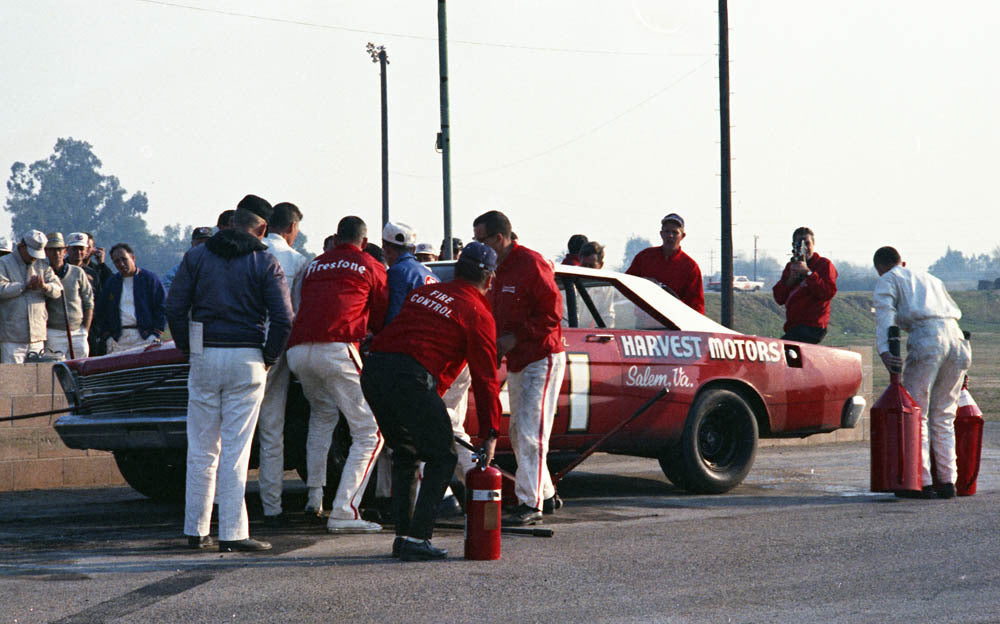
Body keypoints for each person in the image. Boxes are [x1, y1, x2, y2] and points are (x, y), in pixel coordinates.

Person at [167, 194, 293, 552]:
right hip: (247, 357)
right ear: (262, 228)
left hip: (205, 354)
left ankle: (196, 530)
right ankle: (234, 532)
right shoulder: (265, 261)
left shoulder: (197, 257)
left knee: (201, 448)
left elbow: (174, 308)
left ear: (232, 222)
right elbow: (284, 318)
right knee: (236, 450)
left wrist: (188, 349)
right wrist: (268, 357)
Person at [361, 242, 502, 561]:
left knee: (406, 453)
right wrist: (490, 433)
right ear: (490, 278)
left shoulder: (424, 293)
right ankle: (418, 537)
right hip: (410, 376)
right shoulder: (478, 312)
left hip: (374, 370)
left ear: (457, 269)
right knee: (443, 456)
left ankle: (403, 537)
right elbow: (485, 378)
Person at [285, 216, 387, 533]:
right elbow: (382, 312)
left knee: (322, 416)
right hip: (337, 347)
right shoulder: (369, 264)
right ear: (364, 241)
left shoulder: (315, 264)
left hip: (298, 350)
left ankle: (314, 498)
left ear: (336, 237)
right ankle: (344, 510)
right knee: (370, 433)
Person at [473, 210, 566, 526]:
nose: (478, 246)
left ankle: (530, 503)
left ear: (499, 238)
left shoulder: (531, 264)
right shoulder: (495, 269)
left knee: (530, 431)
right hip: (516, 359)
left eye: (481, 240)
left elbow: (552, 313)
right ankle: (545, 494)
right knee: (518, 431)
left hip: (541, 357)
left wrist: (516, 337)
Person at [873, 246, 971, 500]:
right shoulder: (931, 279)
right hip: (957, 339)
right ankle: (948, 482)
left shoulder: (888, 278)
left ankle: (921, 482)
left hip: (928, 338)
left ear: (880, 268)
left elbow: (885, 316)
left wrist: (885, 350)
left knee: (917, 412)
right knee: (944, 414)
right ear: (902, 262)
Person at [257, 202, 309, 525]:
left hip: (242, 346)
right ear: (291, 227)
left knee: (230, 432)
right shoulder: (297, 261)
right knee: (272, 430)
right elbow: (296, 313)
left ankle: (220, 503)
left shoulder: (251, 251)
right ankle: (272, 507)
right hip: (277, 349)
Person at [0, 230, 63, 363]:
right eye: (31, 253)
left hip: (37, 336)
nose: (34, 258)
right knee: (13, 374)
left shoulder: (42, 266)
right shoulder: (3, 263)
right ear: (22, 246)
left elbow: (58, 290)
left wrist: (44, 287)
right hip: (12, 337)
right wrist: (24, 286)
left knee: (37, 374)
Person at [94, 243, 166, 353]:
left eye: (124, 259)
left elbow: (163, 307)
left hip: (145, 337)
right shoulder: (111, 283)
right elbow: (101, 312)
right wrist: (107, 336)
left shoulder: (149, 279)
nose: (121, 264)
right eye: (117, 261)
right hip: (118, 339)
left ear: (133, 258)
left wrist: (156, 333)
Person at [626, 213, 705, 314]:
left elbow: (696, 305)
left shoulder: (690, 267)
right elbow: (626, 285)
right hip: (645, 318)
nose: (670, 236)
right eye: (667, 231)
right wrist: (644, 283)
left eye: (675, 232)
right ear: (661, 234)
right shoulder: (645, 257)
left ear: (682, 236)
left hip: (675, 320)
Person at [772, 226, 838, 344]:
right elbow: (779, 297)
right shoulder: (791, 267)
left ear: (813, 244)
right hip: (794, 326)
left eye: (807, 243)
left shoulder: (824, 264)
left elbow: (827, 293)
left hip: (813, 327)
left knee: (784, 346)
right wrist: (791, 280)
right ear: (793, 245)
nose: (804, 248)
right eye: (799, 244)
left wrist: (808, 273)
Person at [43, 233, 93, 359]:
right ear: (46, 252)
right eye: (52, 250)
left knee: (80, 367)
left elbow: (88, 302)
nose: (56, 254)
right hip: (53, 332)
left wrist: (85, 330)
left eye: (59, 249)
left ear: (65, 251)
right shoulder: (43, 273)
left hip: (77, 332)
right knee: (55, 367)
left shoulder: (77, 272)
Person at [382, 222, 438, 323]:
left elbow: (394, 318)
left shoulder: (397, 273)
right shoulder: (431, 275)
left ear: (387, 249)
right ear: (413, 250)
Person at [575, 241, 616, 328]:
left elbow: (607, 316)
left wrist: (606, 333)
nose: (587, 270)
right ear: (579, 262)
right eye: (584, 265)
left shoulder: (605, 287)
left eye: (591, 266)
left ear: (601, 265)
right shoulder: (570, 281)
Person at [162, 227, 213, 293]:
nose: (202, 247)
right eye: (199, 243)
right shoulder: (180, 269)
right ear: (192, 244)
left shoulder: (220, 267)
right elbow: (166, 288)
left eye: (206, 243)